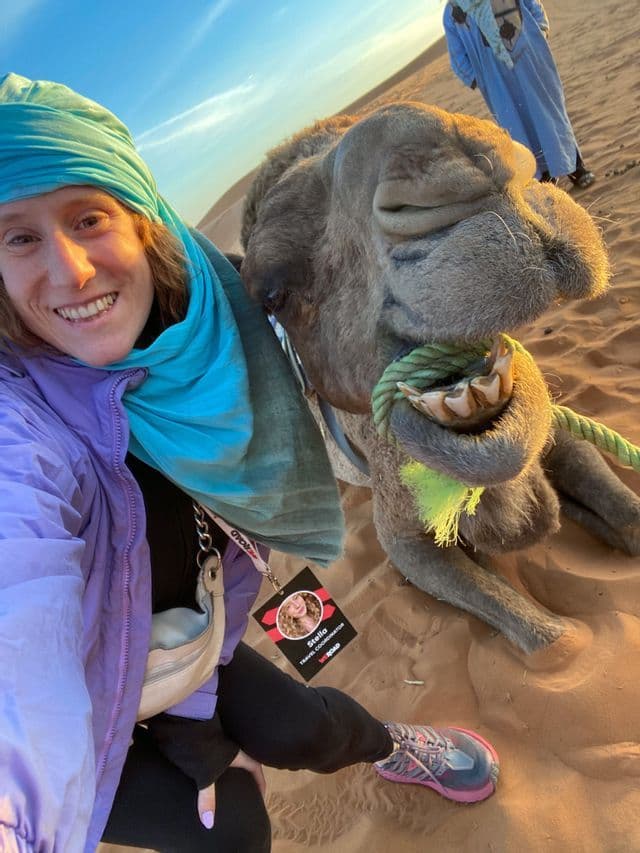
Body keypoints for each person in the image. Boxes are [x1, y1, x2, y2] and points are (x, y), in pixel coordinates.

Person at [0, 72, 500, 852]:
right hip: (93, 714)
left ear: (141, 221)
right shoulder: (19, 426)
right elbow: (19, 596)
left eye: (87, 215)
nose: (69, 270)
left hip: (193, 643)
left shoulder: (218, 327)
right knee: (231, 833)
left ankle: (389, 745)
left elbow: (360, 335)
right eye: (17, 236)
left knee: (309, 730)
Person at [443, 0, 596, 188]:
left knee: (550, 116)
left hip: (531, 63)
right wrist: (479, 79)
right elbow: (457, 55)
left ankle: (575, 167)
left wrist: (538, 34)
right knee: (517, 128)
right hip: (496, 82)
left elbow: (535, 8)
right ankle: (544, 179)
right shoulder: (452, 13)